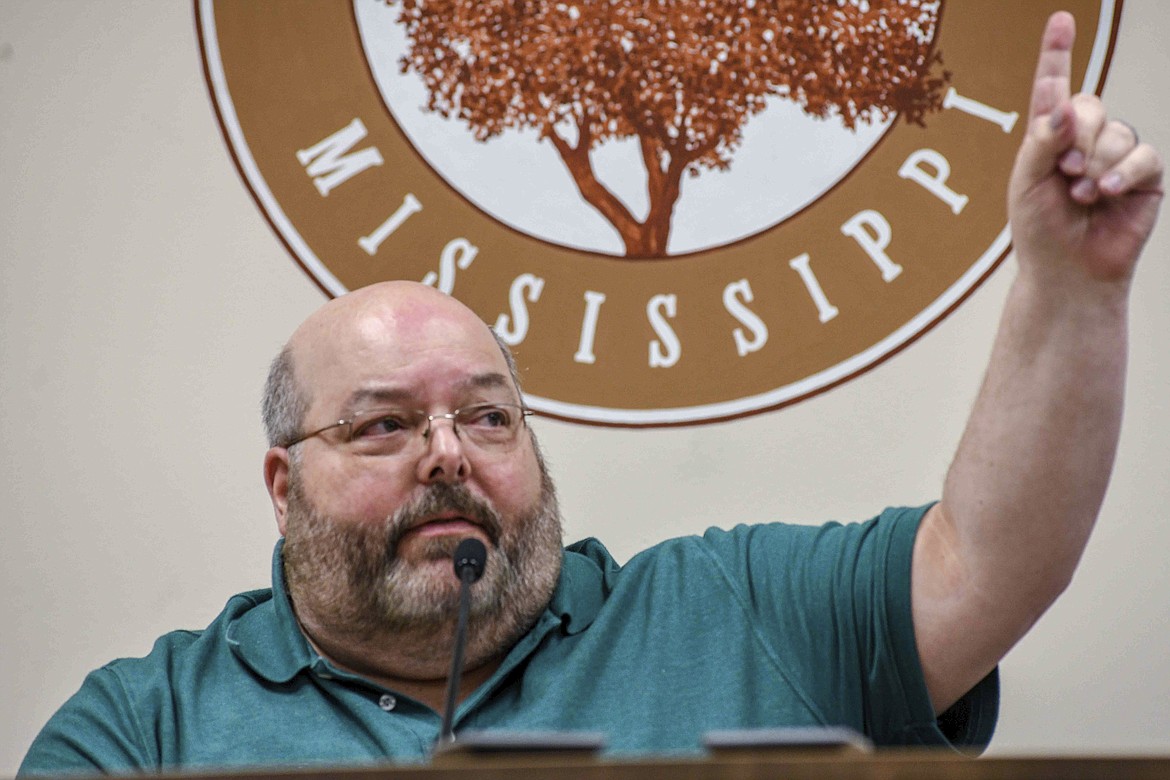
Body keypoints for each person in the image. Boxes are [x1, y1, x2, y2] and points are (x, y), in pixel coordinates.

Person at [20, 11, 1163, 775]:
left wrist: (1071, 289)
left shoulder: (735, 609)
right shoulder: (142, 728)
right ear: (284, 485)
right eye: (382, 425)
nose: (448, 454)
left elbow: (989, 562)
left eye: (486, 415)